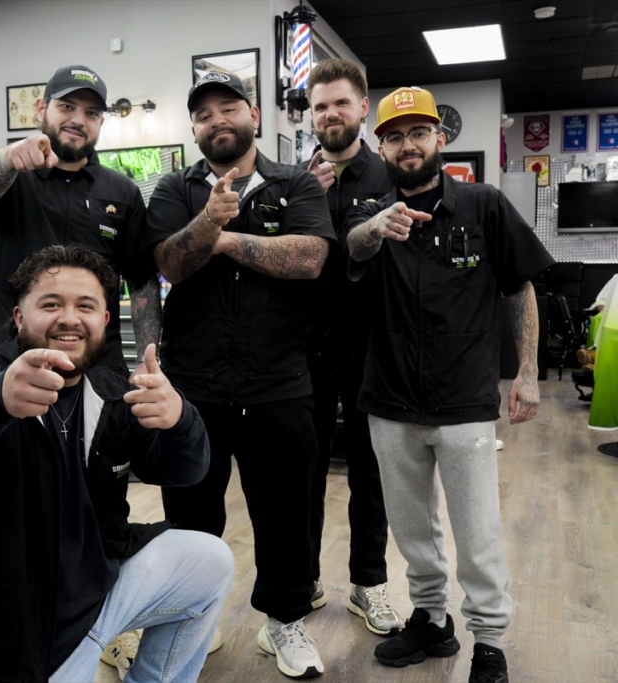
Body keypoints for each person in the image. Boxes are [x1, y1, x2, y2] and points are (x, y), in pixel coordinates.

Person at [0, 244, 233, 683]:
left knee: (210, 560)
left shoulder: (113, 391)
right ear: (19, 318)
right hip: (0, 634)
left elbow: (183, 471)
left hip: (92, 597)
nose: (69, 318)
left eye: (86, 306)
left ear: (105, 321)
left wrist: (180, 419)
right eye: (51, 304)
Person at [345, 86, 554, 683]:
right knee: (413, 527)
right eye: (393, 137)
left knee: (477, 528)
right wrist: (377, 225)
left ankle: (489, 641)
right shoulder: (371, 213)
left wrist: (528, 373)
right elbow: (352, 247)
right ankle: (432, 618)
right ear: (381, 148)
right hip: (389, 401)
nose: (407, 145)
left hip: (464, 399)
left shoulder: (484, 204)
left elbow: (519, 288)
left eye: (418, 133)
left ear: (439, 138)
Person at [143, 71, 335, 680]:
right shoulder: (174, 188)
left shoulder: (295, 182)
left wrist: (222, 240)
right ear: (194, 129)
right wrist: (205, 220)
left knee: (286, 515)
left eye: (228, 108)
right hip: (192, 387)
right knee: (191, 513)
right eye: (204, 114)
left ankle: (284, 621)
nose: (217, 120)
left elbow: (310, 258)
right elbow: (169, 263)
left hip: (279, 382)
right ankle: (190, 619)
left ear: (253, 115)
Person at [0, 64, 161, 379]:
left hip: (98, 369)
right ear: (41, 109)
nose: (78, 120)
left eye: (91, 113)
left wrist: (144, 359)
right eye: (67, 107)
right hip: (10, 364)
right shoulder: (12, 177)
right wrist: (8, 157)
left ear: (101, 122)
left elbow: (141, 281)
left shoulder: (122, 192)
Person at [301, 58, 404, 637]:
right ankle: (303, 579)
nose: (331, 114)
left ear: (363, 108)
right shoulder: (295, 181)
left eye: (341, 103)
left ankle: (369, 583)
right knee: (304, 468)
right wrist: (302, 203)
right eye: (320, 106)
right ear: (310, 116)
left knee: (371, 470)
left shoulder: (389, 175)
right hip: (304, 349)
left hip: (372, 346)